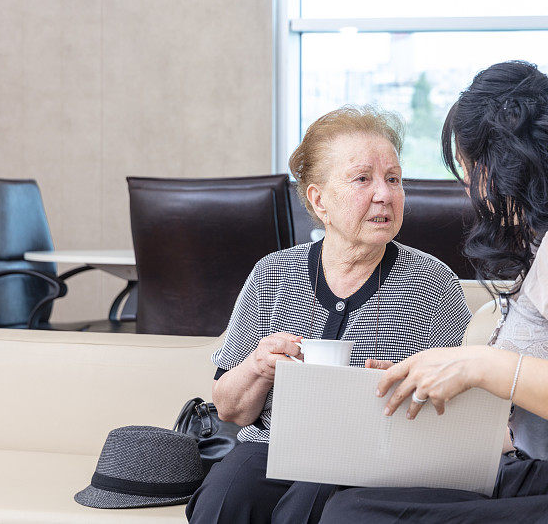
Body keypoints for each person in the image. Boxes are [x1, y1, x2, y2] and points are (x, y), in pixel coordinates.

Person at [319, 62, 548, 523]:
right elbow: (540, 421)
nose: (469, 189)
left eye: (465, 168)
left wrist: (479, 364)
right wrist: (432, 376)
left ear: (489, 168)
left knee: (352, 514)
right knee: (352, 506)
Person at [185, 106, 472, 524]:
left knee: (310, 504)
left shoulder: (432, 283)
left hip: (371, 457)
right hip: (272, 446)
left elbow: (449, 418)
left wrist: (411, 386)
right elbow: (230, 411)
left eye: (393, 179)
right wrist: (259, 368)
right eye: (362, 179)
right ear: (318, 200)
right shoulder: (273, 272)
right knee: (224, 498)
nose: (384, 194)